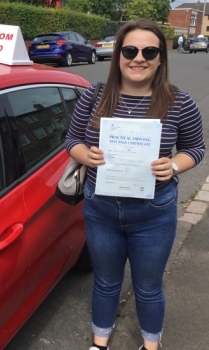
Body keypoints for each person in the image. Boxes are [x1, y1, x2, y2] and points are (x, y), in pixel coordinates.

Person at [65, 19, 205, 350]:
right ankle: (99, 344)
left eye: (149, 51)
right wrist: (87, 155)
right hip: (100, 209)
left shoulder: (178, 102)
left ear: (160, 58)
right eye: (130, 50)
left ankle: (150, 345)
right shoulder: (94, 96)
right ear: (118, 56)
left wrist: (171, 165)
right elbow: (71, 140)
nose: (138, 58)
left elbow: (195, 149)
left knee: (148, 287)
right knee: (105, 281)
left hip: (153, 212)